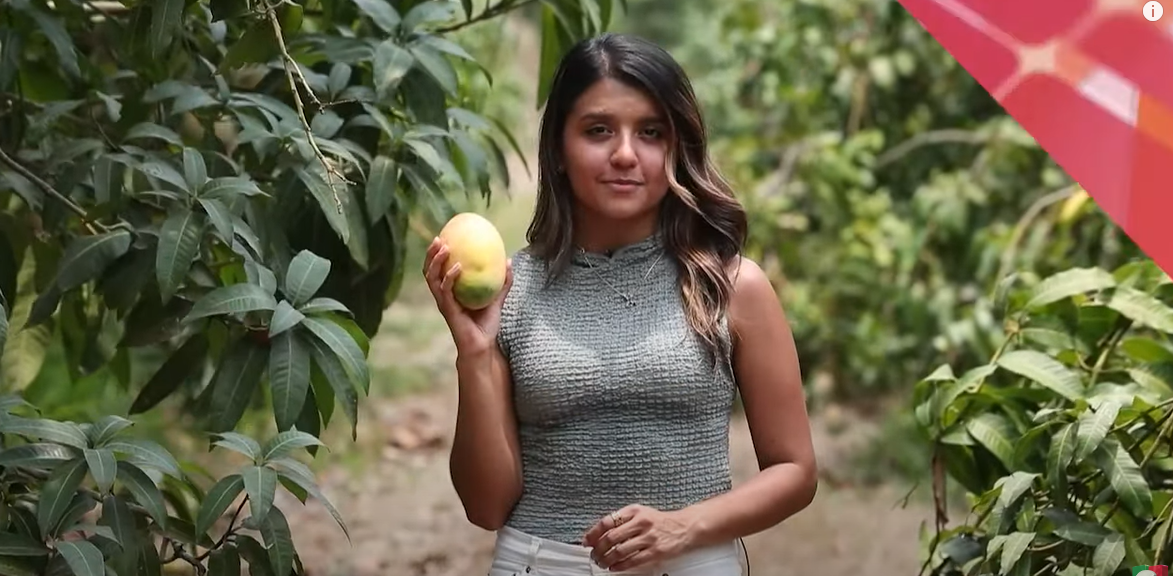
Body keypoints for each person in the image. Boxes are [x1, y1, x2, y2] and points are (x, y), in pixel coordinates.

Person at [423, 32, 818, 576]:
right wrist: (473, 351)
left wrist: (685, 526)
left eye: (651, 132)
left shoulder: (729, 285)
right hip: (541, 564)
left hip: (694, 562)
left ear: (677, 147)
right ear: (559, 148)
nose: (626, 154)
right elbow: (485, 506)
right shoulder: (513, 293)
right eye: (598, 130)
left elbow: (796, 471)